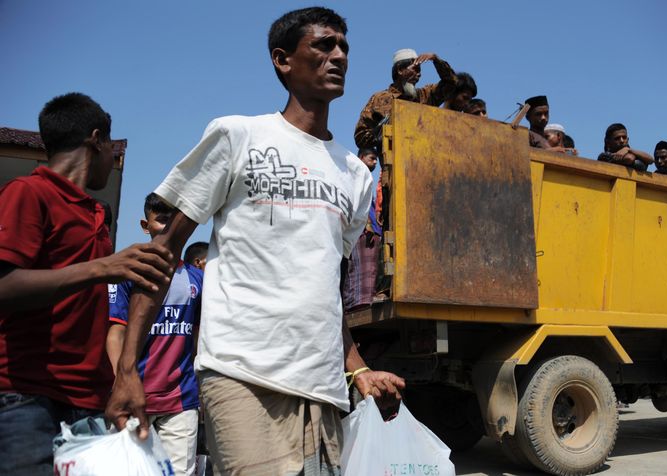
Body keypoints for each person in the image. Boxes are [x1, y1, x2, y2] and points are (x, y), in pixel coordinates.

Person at [106, 7, 405, 476]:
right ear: (282, 60)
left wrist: (358, 368)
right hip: (240, 373)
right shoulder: (238, 136)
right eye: (324, 45)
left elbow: (328, 291)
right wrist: (128, 370)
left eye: (344, 47)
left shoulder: (354, 175)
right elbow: (162, 255)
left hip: (322, 388)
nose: (339, 55)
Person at [0, 92, 173, 475]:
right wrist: (104, 268)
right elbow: (4, 288)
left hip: (89, 402)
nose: (114, 156)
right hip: (26, 399)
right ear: (96, 140)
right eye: (111, 145)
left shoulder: (95, 211)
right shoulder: (28, 194)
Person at [106, 193, 203, 476]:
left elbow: (197, 337)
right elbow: (116, 332)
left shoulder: (198, 279)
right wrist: (119, 381)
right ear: (144, 225)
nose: (168, 227)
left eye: (174, 220)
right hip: (132, 398)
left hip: (182, 402)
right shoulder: (128, 272)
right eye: (161, 220)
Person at [354, 48, 458, 151]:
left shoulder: (424, 96)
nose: (419, 74)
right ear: (400, 70)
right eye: (415, 69)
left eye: (420, 70)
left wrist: (436, 60)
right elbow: (360, 138)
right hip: (393, 165)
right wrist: (387, 130)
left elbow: (452, 83)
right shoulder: (379, 99)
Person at [342, 148, 382, 312]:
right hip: (363, 231)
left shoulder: (365, 177)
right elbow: (354, 201)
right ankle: (358, 302)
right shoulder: (354, 174)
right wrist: (367, 225)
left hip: (370, 229)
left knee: (370, 268)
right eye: (372, 158)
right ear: (361, 158)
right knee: (360, 267)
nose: (375, 162)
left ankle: (364, 300)